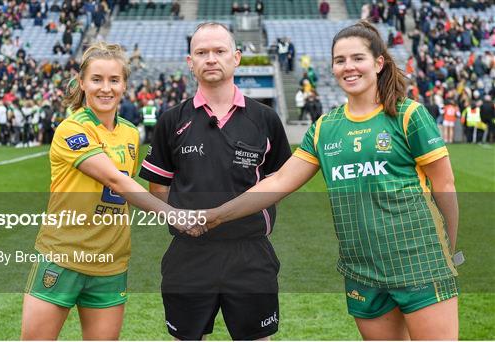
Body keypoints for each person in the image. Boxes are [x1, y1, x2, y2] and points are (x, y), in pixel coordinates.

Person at [196, 21, 460, 340]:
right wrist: (215, 216)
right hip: (362, 270)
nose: (348, 67)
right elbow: (277, 182)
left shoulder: (408, 115)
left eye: (357, 58)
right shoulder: (325, 128)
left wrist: (448, 250)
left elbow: (445, 187)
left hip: (419, 261)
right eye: (340, 60)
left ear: (378, 63)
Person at [20, 42, 194, 340]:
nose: (105, 88)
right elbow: (117, 182)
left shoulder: (129, 132)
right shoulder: (71, 128)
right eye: (97, 79)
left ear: (125, 84)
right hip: (63, 256)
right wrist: (172, 214)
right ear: (83, 83)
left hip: (111, 262)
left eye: (114, 80)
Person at [139, 22, 291, 340]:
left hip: (250, 254)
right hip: (189, 254)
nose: (211, 59)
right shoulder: (171, 120)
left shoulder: (265, 119)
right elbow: (158, 188)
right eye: (202, 52)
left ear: (236, 58)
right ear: (190, 62)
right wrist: (184, 220)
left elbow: (280, 183)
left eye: (219, 51)